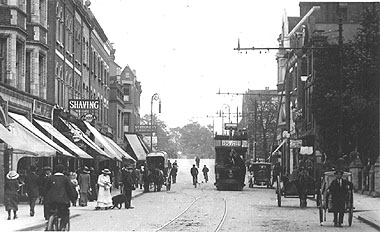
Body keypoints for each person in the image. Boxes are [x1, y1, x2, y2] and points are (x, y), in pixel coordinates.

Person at [44, 164, 78, 230]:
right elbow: (70, 190)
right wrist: (73, 199)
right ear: (63, 170)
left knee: (51, 212)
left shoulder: (50, 178)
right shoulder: (66, 179)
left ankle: (49, 225)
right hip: (63, 201)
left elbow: (45, 190)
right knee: (65, 214)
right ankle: (63, 227)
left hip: (51, 201)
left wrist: (45, 199)